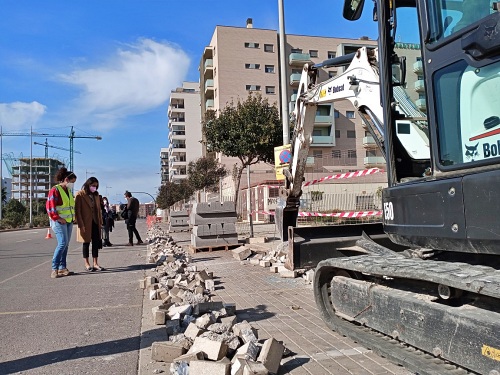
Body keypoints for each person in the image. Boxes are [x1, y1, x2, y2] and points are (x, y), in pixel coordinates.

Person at [46, 168, 77, 279]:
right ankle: (54, 269)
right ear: (66, 179)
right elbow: (50, 207)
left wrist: (73, 217)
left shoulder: (68, 191)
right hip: (59, 222)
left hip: (68, 221)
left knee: (66, 245)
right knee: (62, 243)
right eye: (72, 182)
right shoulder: (55, 190)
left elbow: (70, 206)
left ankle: (62, 268)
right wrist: (58, 218)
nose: (72, 185)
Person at [75, 177, 104, 271]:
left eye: (96, 186)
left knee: (96, 243)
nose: (94, 187)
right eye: (93, 185)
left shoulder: (96, 195)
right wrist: (80, 224)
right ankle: (87, 264)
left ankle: (95, 263)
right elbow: (77, 211)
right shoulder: (80, 194)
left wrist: (100, 222)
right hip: (85, 222)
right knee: (86, 242)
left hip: (95, 221)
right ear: (88, 184)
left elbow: (98, 210)